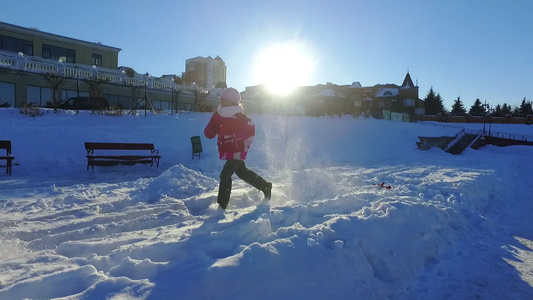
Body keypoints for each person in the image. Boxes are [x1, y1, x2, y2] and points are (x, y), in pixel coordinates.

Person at [204, 87, 272, 209]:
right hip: (227, 148)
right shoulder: (218, 115)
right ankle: (265, 186)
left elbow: (250, 130)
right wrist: (211, 129)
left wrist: (239, 141)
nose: (222, 101)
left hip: (238, 149)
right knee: (242, 172)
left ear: (233, 102)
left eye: (225, 99)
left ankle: (222, 205)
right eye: (221, 99)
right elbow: (209, 132)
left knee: (225, 174)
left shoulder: (240, 117)